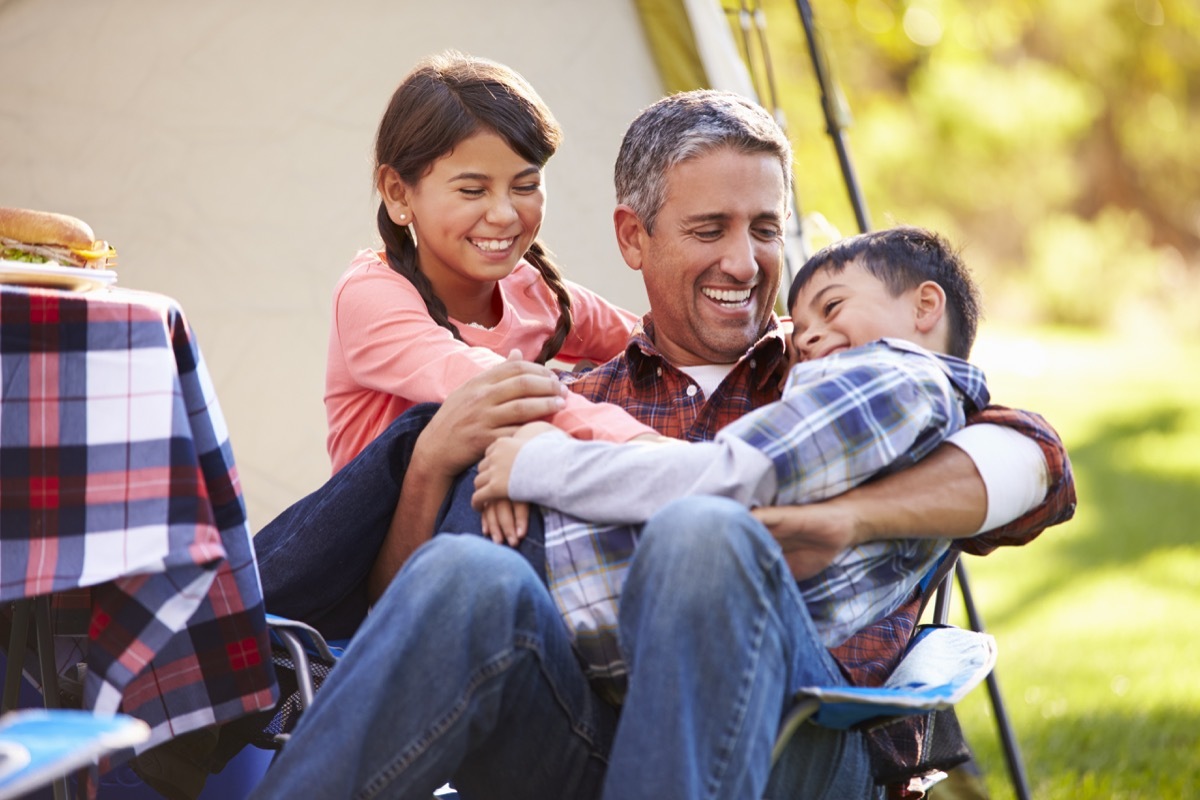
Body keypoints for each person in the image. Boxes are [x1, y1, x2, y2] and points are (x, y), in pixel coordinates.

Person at [250, 91, 1075, 799]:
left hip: (805, 735)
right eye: (709, 228)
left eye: (765, 229)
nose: (744, 263)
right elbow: (397, 616)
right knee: (465, 574)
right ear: (633, 238)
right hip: (587, 736)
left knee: (703, 532)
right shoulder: (572, 406)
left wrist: (849, 517)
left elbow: (1038, 460)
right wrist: (431, 465)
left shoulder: (834, 374)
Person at [468, 226, 988, 691]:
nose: (805, 338)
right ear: (634, 236)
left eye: (831, 307)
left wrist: (537, 463)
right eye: (707, 230)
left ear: (925, 306)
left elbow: (728, 478)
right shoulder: (921, 420)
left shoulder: (892, 381)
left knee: (456, 557)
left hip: (617, 605)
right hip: (632, 633)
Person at [325, 49, 654, 475]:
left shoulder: (534, 291)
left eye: (525, 185)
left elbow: (657, 345)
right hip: (389, 515)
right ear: (398, 193)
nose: (503, 214)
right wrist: (645, 445)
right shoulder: (370, 296)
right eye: (472, 190)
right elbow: (494, 388)